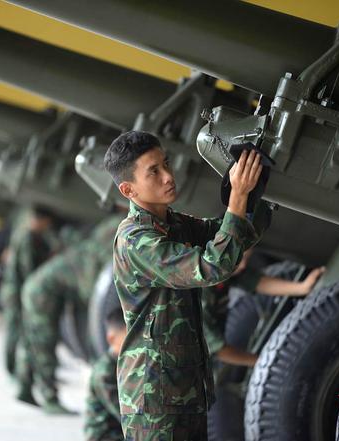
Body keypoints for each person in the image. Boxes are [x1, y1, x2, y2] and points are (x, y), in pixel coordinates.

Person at [104, 131, 270, 440]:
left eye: (166, 163)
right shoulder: (136, 241)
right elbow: (212, 267)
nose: (168, 176)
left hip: (185, 389)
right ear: (128, 189)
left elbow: (233, 236)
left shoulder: (174, 224)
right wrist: (236, 197)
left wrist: (251, 190)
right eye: (153, 171)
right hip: (153, 397)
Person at [18, 213, 124, 414]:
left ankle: (25, 387)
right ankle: (49, 399)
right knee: (43, 344)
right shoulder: (93, 258)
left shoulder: (88, 250)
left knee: (33, 340)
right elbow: (93, 296)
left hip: (35, 288)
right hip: (41, 293)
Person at [202, 249, 325, 368]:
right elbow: (219, 350)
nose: (244, 266)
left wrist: (302, 288)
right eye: (239, 260)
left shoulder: (224, 265)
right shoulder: (200, 295)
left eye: (246, 258)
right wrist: (266, 362)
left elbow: (257, 282)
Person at [0, 206, 57, 378]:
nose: (47, 227)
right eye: (46, 223)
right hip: (15, 292)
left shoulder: (23, 234)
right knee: (14, 331)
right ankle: (11, 370)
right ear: (40, 221)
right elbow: (27, 269)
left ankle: (20, 371)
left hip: (14, 290)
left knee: (17, 331)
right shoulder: (27, 238)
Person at [84, 308, 126, 441]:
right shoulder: (105, 372)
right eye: (128, 339)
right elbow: (124, 414)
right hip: (106, 435)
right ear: (111, 338)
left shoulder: (124, 363)